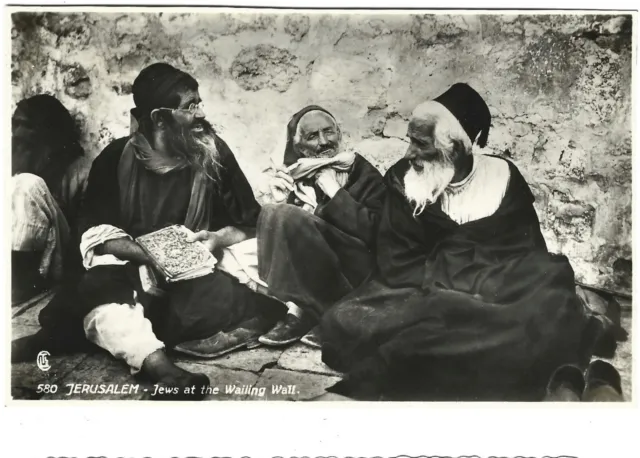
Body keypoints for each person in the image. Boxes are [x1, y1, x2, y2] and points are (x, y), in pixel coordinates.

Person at [320, 83, 593, 401]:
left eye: (422, 144)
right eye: (410, 141)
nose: (410, 153)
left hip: (497, 289)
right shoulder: (402, 178)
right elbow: (396, 265)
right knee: (346, 321)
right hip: (422, 291)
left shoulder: (503, 178)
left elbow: (527, 254)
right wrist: (455, 284)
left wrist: (481, 283)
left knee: (553, 297)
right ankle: (498, 348)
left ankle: (461, 346)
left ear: (468, 143)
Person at [39, 63, 285, 398]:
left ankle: (160, 330)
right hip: (133, 270)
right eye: (189, 107)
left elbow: (249, 221)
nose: (200, 114)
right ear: (158, 119)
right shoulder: (115, 158)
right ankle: (161, 367)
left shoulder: (214, 152)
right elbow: (95, 232)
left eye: (199, 103)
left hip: (200, 271)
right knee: (99, 288)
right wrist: (150, 255)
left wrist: (216, 239)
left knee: (251, 261)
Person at [256, 106, 386, 348]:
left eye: (329, 132)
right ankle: (303, 311)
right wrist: (279, 199)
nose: (324, 142)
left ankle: (332, 315)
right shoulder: (294, 177)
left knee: (285, 216)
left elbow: (376, 231)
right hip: (318, 268)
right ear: (297, 146)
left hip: (356, 270)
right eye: (312, 136)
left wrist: (334, 193)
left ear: (340, 134)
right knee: (272, 211)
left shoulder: (361, 172)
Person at [11, 95, 89, 304]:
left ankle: (19, 282)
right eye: (14, 124)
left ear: (47, 129)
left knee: (27, 184)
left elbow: (83, 233)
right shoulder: (13, 159)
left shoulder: (81, 171)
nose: (17, 133)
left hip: (57, 257)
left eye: (26, 125)